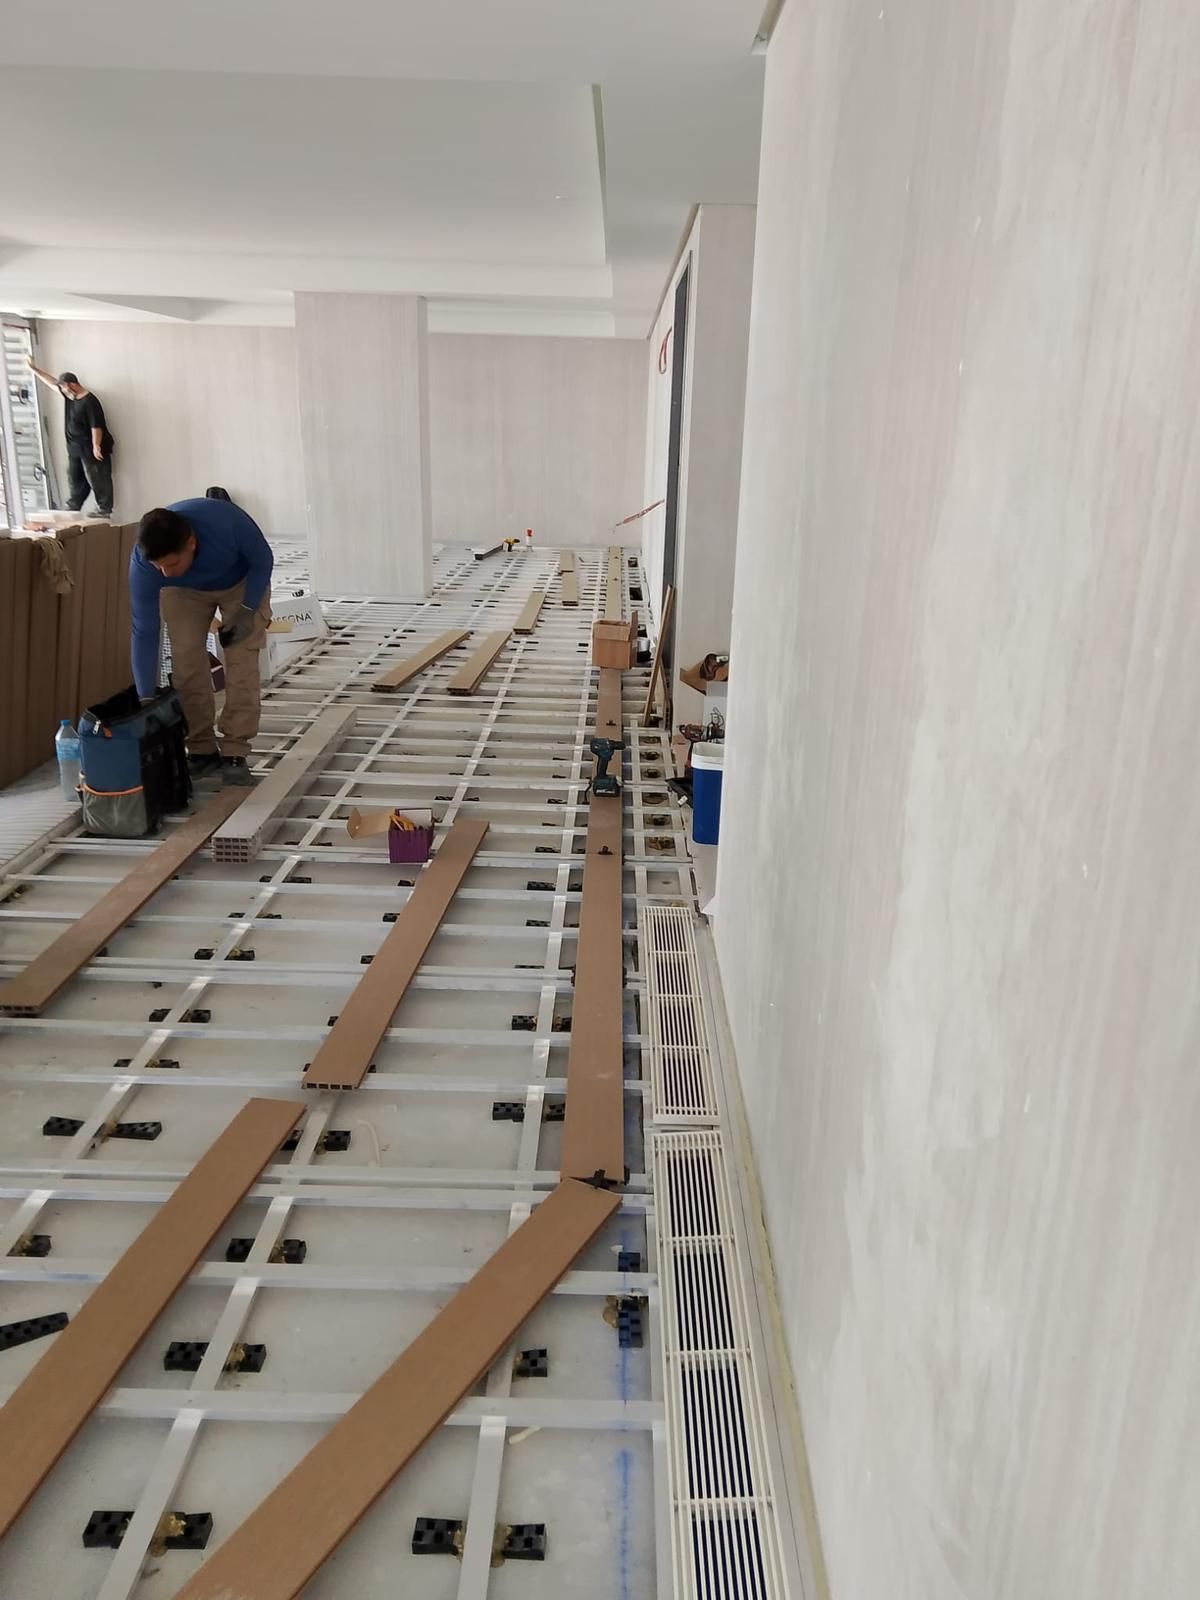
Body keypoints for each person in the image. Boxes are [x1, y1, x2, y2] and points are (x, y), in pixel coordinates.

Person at [130, 495, 273, 785]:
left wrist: (247, 611)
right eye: (159, 567)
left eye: (171, 563)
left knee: (242, 661)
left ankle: (235, 750)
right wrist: (145, 696)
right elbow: (144, 630)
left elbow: (263, 561)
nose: (164, 573)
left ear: (191, 543)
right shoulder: (147, 566)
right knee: (186, 663)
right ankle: (201, 748)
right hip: (184, 592)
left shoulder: (228, 524)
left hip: (240, 582)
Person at [26, 359, 115, 517]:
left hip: (90, 448)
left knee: (97, 477)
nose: (62, 389)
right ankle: (74, 505)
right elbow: (52, 382)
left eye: (64, 386)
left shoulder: (90, 401)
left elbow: (96, 426)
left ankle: (104, 509)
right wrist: (34, 370)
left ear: (73, 385)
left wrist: (96, 446)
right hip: (75, 448)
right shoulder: (70, 397)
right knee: (74, 477)